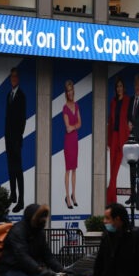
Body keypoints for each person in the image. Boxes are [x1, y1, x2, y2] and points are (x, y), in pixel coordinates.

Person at [5, 67, 26, 213]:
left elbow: (22, 119)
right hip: (8, 138)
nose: (13, 79)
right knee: (11, 168)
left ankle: (21, 200)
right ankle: (13, 194)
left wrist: (18, 137)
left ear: (18, 78)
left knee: (18, 170)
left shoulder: (21, 96)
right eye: (11, 77)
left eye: (15, 77)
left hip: (16, 139)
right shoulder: (9, 95)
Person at [107, 77, 130, 204]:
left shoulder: (127, 100)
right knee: (112, 170)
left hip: (122, 138)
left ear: (123, 88)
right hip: (114, 137)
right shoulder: (113, 102)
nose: (119, 88)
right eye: (117, 86)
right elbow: (110, 122)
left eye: (121, 86)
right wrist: (108, 141)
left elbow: (130, 118)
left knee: (114, 172)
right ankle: (112, 200)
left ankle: (110, 199)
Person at [62, 79, 81, 209]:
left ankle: (74, 195)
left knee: (74, 169)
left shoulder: (77, 105)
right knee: (68, 169)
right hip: (68, 141)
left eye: (71, 90)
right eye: (68, 90)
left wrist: (74, 126)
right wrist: (75, 126)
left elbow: (81, 123)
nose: (70, 92)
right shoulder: (65, 108)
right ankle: (67, 197)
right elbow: (68, 128)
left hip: (75, 140)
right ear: (66, 93)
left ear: (73, 91)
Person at [126, 74, 139, 210]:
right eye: (136, 85)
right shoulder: (132, 100)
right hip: (132, 140)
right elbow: (128, 116)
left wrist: (135, 126)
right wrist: (129, 123)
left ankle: (138, 198)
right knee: (132, 170)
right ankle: (133, 195)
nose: (137, 87)